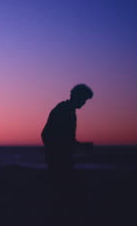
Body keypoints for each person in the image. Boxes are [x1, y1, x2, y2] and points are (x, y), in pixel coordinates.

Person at [41, 83, 94, 223]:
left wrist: (80, 145)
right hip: (59, 159)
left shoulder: (68, 111)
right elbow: (46, 134)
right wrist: (56, 151)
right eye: (83, 100)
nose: (83, 103)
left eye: (85, 101)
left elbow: (68, 138)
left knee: (64, 192)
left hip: (61, 158)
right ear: (75, 96)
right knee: (64, 192)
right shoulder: (63, 110)